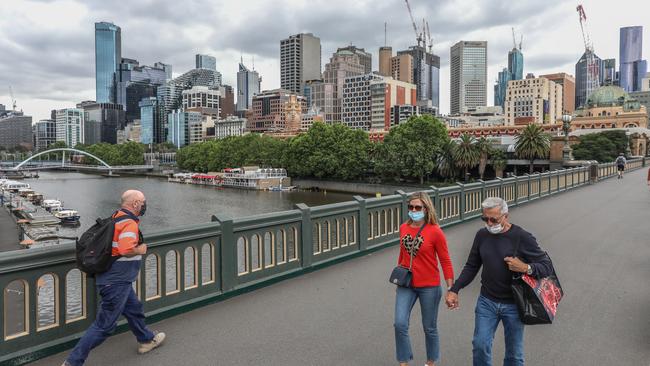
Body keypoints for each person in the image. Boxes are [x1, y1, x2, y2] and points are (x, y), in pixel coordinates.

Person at [445, 197, 552, 366]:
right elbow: (472, 266)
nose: (489, 223)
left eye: (493, 219)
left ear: (505, 216)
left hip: (514, 305)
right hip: (487, 301)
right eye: (485, 219)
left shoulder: (522, 237)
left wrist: (525, 267)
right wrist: (454, 289)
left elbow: (546, 267)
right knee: (480, 345)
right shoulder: (482, 235)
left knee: (514, 355)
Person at [63, 190, 165, 366]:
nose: (144, 205)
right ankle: (73, 362)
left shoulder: (115, 218)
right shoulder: (129, 223)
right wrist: (142, 249)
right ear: (135, 204)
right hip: (116, 281)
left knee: (134, 309)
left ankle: (146, 340)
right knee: (104, 326)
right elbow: (126, 249)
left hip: (116, 279)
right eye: (143, 202)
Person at [394, 192, 454, 366]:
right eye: (411, 207)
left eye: (418, 207)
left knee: (429, 327)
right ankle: (404, 361)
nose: (414, 210)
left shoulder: (435, 231)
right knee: (399, 324)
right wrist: (399, 277)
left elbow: (445, 260)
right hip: (406, 284)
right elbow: (403, 254)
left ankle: (431, 362)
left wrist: (451, 288)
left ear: (426, 209)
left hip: (429, 286)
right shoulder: (403, 227)